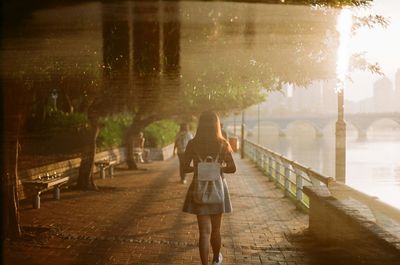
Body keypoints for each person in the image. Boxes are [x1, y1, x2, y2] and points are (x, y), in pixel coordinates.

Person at [182, 111, 236, 265]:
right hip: (218, 189)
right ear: (216, 125)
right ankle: (216, 259)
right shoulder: (223, 144)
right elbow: (232, 168)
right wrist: (219, 169)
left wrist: (198, 168)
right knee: (216, 230)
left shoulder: (193, 143)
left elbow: (185, 167)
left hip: (199, 189)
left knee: (204, 232)